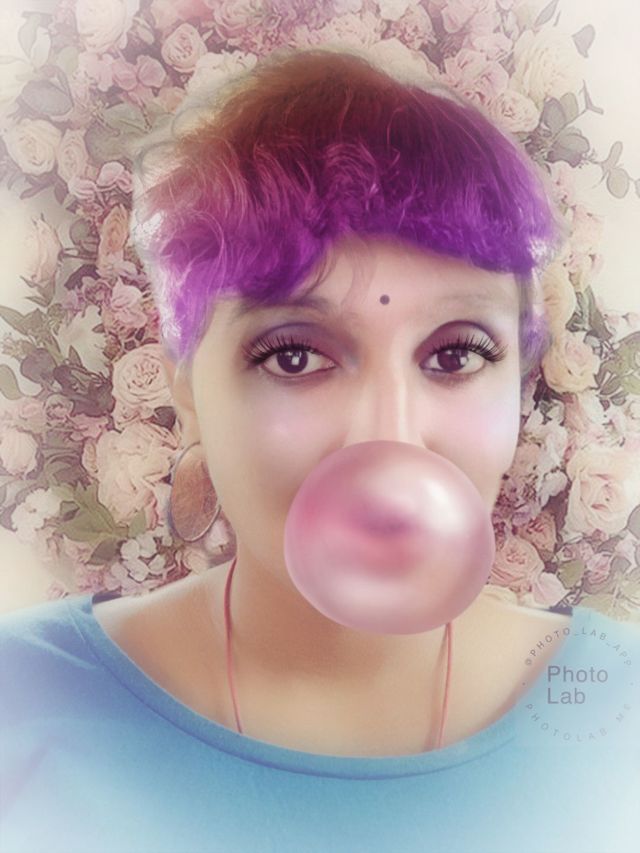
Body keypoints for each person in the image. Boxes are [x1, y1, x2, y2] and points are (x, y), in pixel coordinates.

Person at [1, 47, 638, 853]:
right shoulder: (22, 705)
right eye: (295, 356)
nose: (387, 436)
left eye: (456, 353)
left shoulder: (620, 715)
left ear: (518, 382)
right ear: (188, 390)